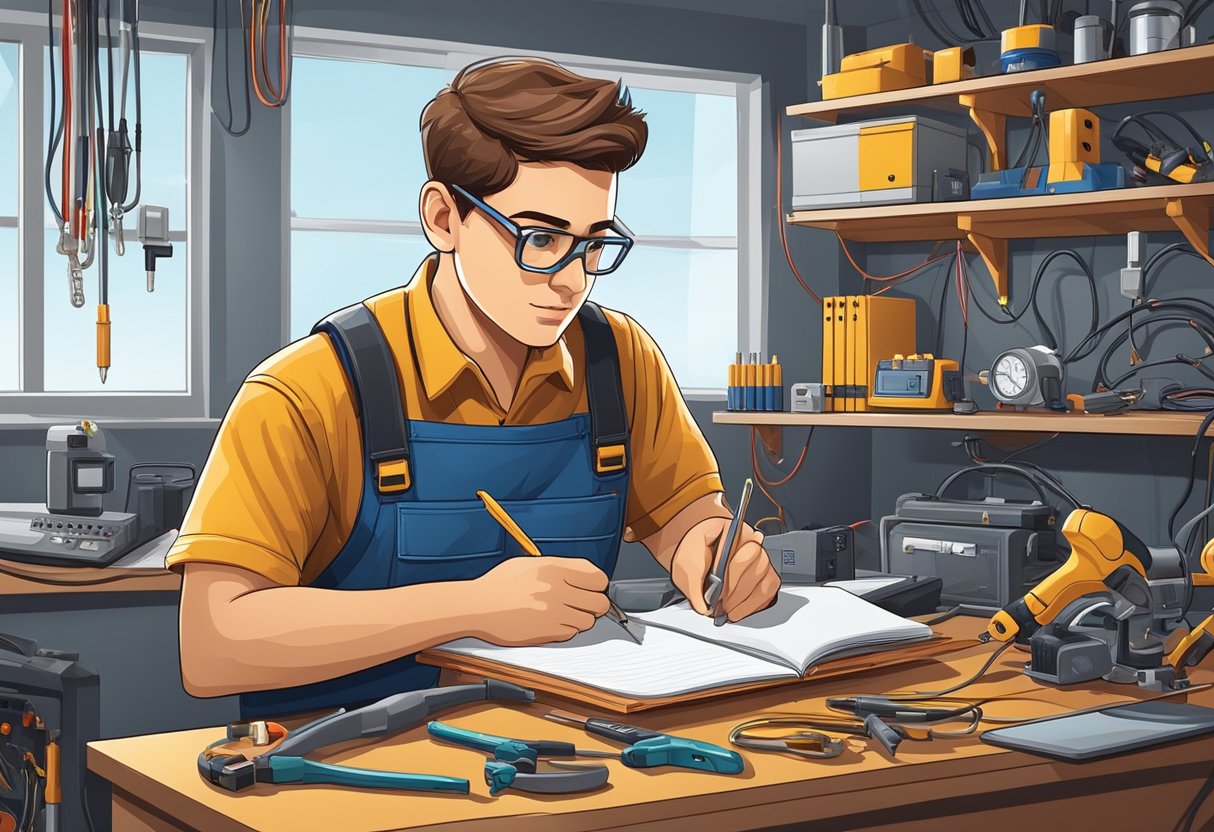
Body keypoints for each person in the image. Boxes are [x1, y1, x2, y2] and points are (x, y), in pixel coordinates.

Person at [171, 56, 779, 718]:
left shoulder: (619, 360)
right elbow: (213, 641)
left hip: (577, 757)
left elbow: (682, 515)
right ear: (443, 217)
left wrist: (713, 553)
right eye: (540, 238)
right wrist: (471, 608)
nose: (573, 280)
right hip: (347, 772)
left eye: (594, 245)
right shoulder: (309, 390)